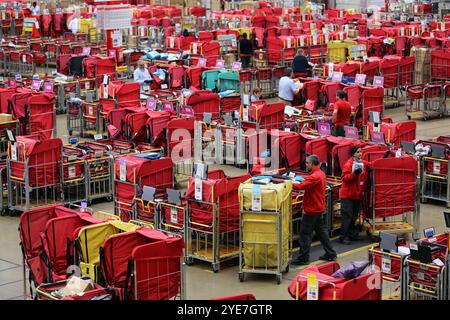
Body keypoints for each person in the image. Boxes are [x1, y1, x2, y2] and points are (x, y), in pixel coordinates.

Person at [291, 155, 337, 265]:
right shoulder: (320, 173)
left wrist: (288, 183)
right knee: (322, 233)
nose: (306, 164)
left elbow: (301, 186)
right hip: (318, 208)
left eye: (307, 163)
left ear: (312, 164)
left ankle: (303, 258)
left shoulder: (315, 176)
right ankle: (330, 253)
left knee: (305, 234)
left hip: (312, 209)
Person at [339, 146, 391, 244]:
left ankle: (352, 234)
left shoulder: (362, 162)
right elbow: (344, 178)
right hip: (347, 196)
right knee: (347, 217)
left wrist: (383, 159)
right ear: (353, 154)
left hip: (357, 195)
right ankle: (343, 237)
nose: (360, 154)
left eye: (361, 152)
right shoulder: (349, 164)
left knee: (354, 216)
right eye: (358, 152)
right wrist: (354, 174)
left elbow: (372, 165)